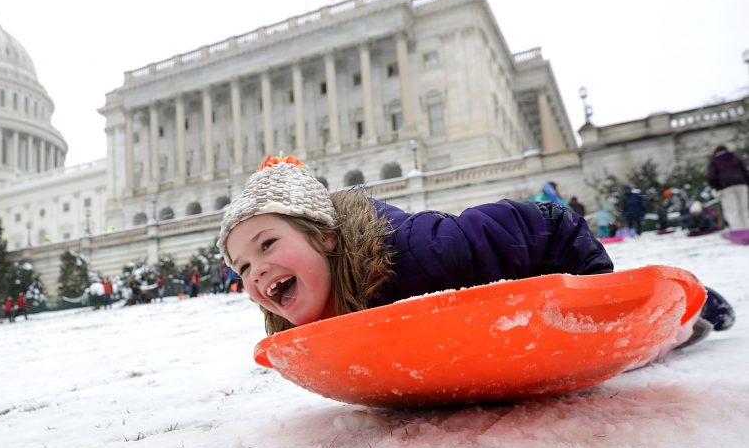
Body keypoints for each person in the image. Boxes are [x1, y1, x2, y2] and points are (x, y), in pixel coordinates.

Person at [218, 155, 732, 360]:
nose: (255, 269)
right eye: (241, 266)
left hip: (552, 254)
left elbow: (539, 224)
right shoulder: (315, 313)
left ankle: (686, 315)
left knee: (615, 335)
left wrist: (596, 295)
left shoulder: (421, 253)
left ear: (326, 239)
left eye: (267, 244)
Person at [707, 145, 749, 230]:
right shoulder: (736, 158)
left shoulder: (715, 162)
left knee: (732, 210)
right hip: (741, 185)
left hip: (726, 187)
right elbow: (745, 172)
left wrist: (716, 188)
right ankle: (747, 228)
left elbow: (712, 177)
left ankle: (739, 230)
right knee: (743, 208)